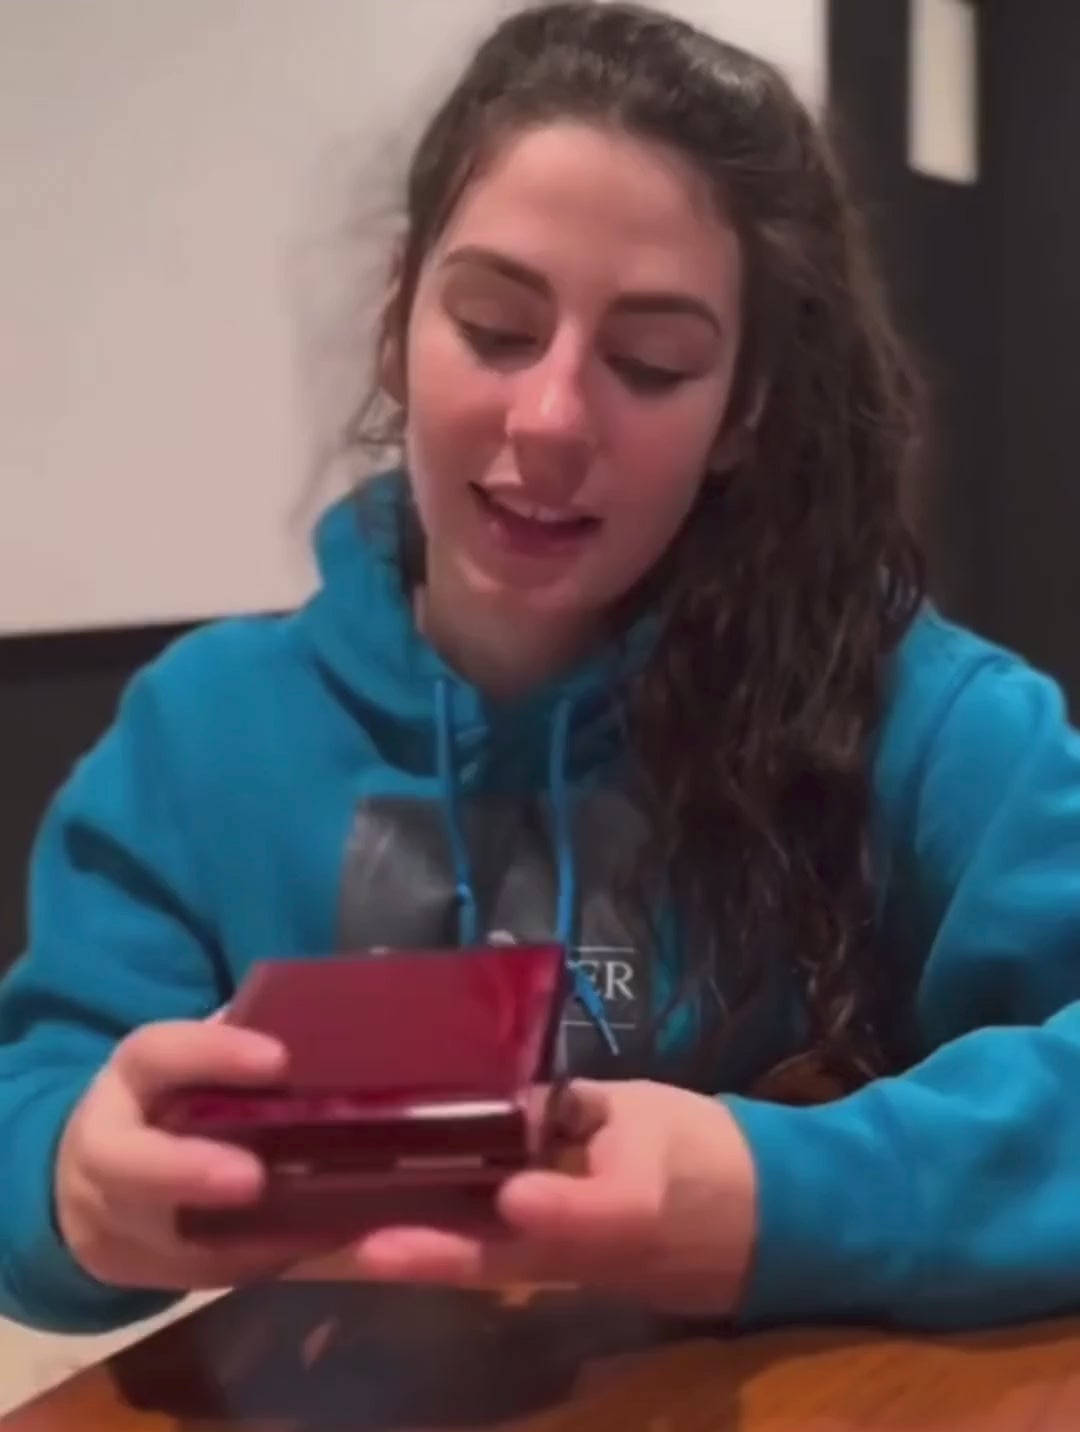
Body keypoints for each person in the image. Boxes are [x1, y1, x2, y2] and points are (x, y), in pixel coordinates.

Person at [2, 0, 1079, 1338]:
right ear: (398, 320)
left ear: (743, 410)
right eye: (496, 328)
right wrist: (76, 1184)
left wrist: (771, 1192)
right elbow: (40, 1103)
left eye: (650, 362)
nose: (554, 419)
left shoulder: (924, 724)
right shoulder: (200, 739)